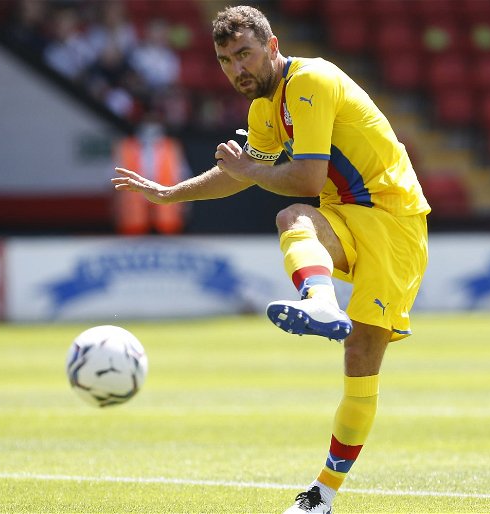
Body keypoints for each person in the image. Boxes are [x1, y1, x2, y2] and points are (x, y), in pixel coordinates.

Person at [112, 5, 430, 513]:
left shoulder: (312, 81)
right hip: (345, 213)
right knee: (292, 219)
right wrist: (172, 194)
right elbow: (244, 173)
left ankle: (323, 494)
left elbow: (299, 177)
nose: (237, 69)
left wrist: (250, 170)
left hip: (394, 222)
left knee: (361, 360)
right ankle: (320, 301)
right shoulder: (263, 110)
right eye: (225, 60)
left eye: (245, 54)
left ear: (273, 46)